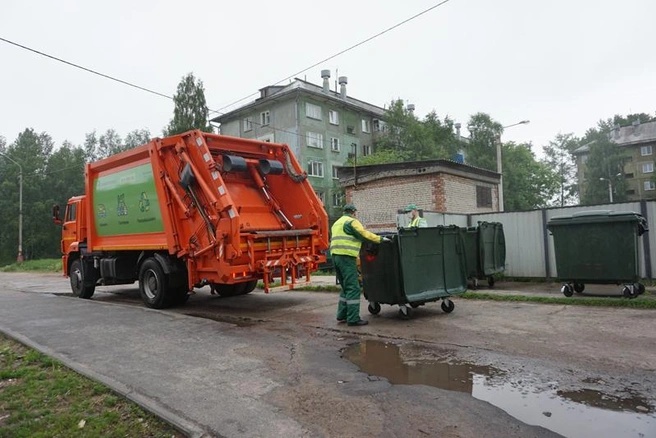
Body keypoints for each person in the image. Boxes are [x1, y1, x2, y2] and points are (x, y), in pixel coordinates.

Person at [331, 203, 390, 326]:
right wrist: (381, 239)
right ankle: (353, 319)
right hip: (346, 257)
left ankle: (342, 315)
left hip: (335, 256)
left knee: (345, 287)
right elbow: (364, 234)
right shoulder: (352, 222)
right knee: (353, 287)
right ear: (353, 213)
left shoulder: (337, 223)